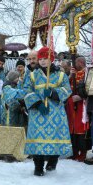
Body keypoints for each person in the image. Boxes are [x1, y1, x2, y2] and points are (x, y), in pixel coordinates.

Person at [23, 47, 72, 176]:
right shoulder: (33, 75)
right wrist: (38, 103)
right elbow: (26, 90)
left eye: (46, 58)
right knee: (37, 138)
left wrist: (53, 92)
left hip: (55, 112)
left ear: (51, 59)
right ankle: (38, 166)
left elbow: (68, 90)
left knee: (54, 136)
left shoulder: (60, 75)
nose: (43, 61)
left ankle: (52, 162)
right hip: (38, 112)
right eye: (41, 59)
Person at [65, 56, 89, 162]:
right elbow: (66, 85)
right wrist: (70, 75)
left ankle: (82, 152)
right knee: (72, 128)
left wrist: (81, 96)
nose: (74, 65)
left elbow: (88, 87)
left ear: (80, 62)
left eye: (76, 62)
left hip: (81, 104)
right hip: (71, 103)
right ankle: (74, 152)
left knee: (81, 127)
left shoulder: (87, 72)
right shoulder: (73, 73)